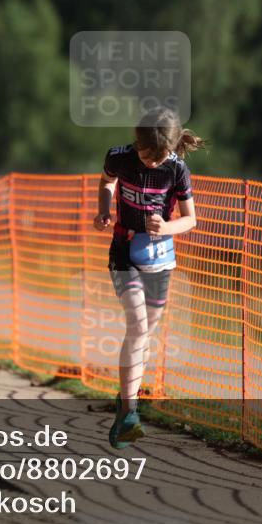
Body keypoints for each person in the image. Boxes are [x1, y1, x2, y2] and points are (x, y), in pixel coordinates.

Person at [94, 107, 203, 448]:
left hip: (160, 259)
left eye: (158, 157)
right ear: (136, 142)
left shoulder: (177, 170)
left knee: (145, 331)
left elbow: (191, 220)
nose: (151, 163)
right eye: (145, 155)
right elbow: (107, 181)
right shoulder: (119, 157)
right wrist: (103, 210)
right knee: (138, 326)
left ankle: (125, 400)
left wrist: (167, 227)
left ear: (170, 149)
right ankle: (130, 413)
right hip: (124, 251)